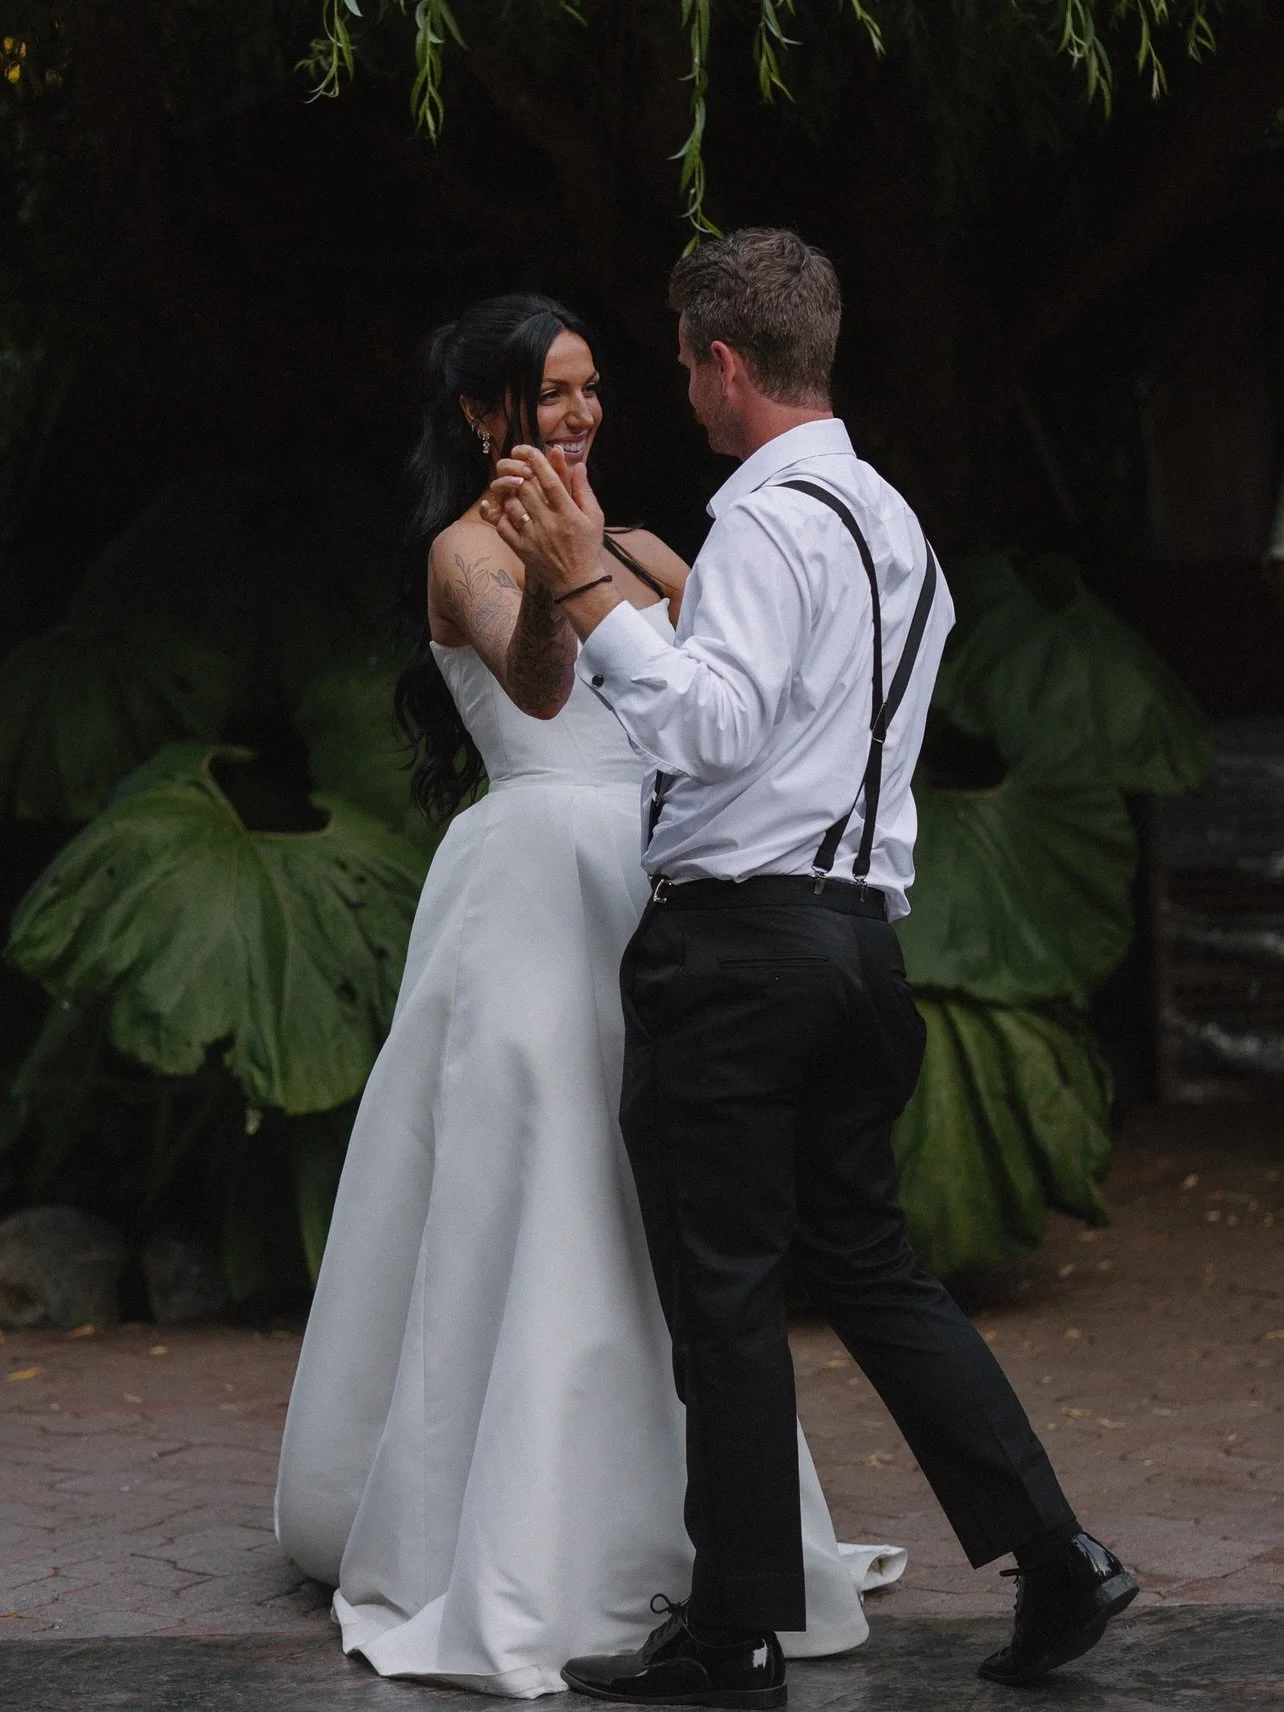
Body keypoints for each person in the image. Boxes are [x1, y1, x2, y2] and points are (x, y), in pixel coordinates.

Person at [489, 231, 1140, 1705]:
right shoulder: (896, 524)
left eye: (677, 359)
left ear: (724, 363)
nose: (675, 384)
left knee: (722, 1296)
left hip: (740, 954)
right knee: (870, 1267)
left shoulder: (771, 522)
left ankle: (734, 1637)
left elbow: (712, 729)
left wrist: (588, 583)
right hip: (855, 946)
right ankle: (1057, 1557)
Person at [274, 292, 905, 1700]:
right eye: (550, 393)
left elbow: (742, 692)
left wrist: (627, 567)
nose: (581, 413)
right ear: (483, 417)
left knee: (664, 1207)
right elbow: (540, 688)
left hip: (661, 889)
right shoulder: (460, 554)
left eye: (593, 388)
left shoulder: (638, 545)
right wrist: (567, 572)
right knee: (538, 1183)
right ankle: (500, 1522)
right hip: (533, 884)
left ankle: (710, 1540)